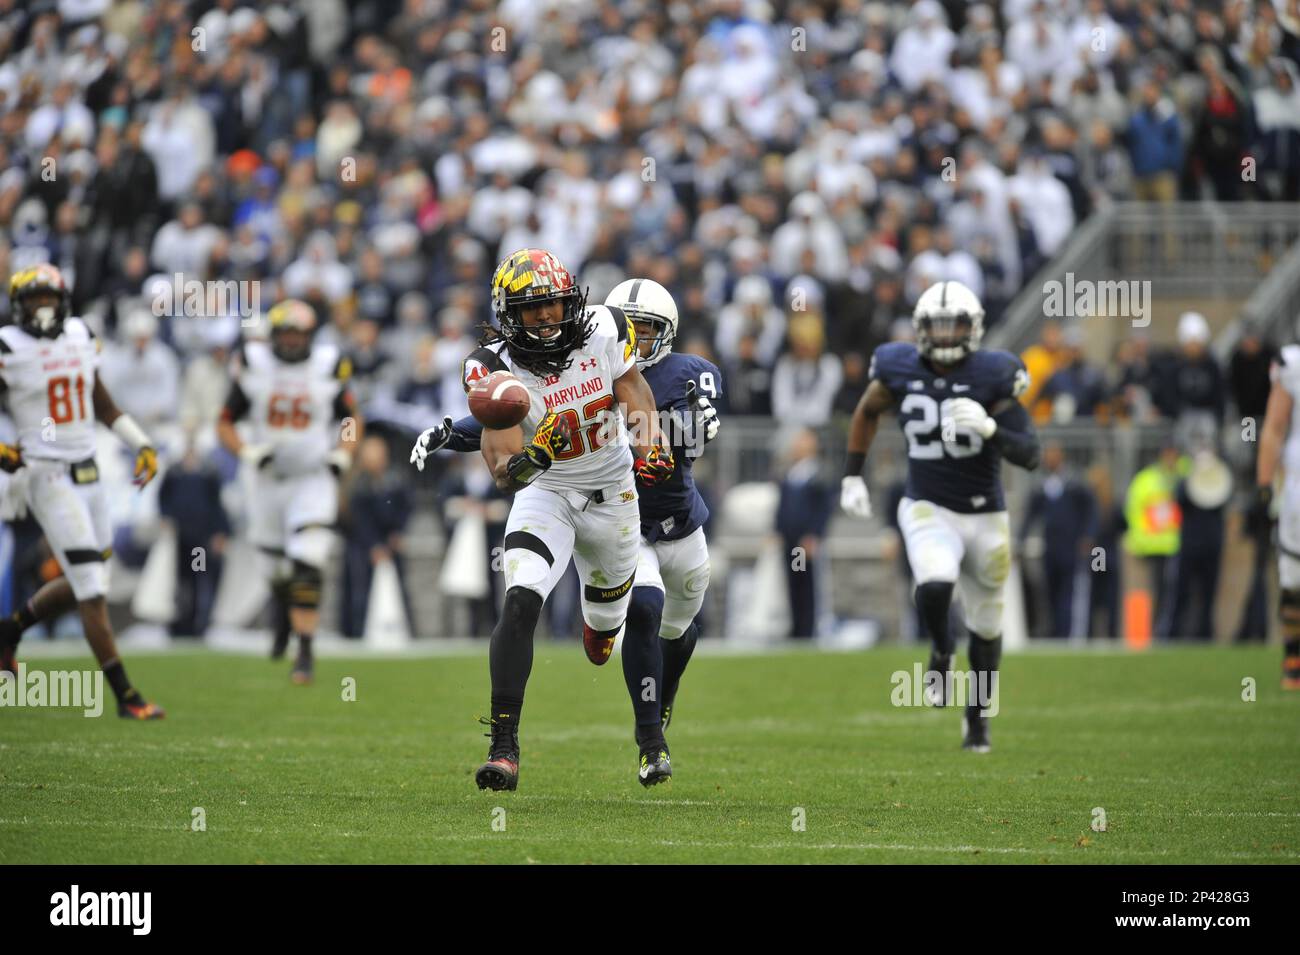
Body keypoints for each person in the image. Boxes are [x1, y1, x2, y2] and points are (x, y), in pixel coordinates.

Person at [413, 277, 723, 773]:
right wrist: (534, 453)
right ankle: (504, 749)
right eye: (532, 308)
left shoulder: (605, 332)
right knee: (521, 599)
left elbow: (636, 396)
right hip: (549, 492)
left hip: (618, 501)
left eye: (552, 304)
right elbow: (503, 468)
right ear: (509, 313)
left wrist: (655, 448)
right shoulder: (493, 366)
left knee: (609, 637)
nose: (545, 317)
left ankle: (605, 636)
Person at [840, 280, 1040, 751]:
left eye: (956, 327)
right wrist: (852, 475)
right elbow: (867, 411)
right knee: (934, 579)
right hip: (928, 504)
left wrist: (991, 427)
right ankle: (941, 650)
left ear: (974, 329)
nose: (947, 337)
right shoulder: (897, 365)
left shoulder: (995, 374)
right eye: (938, 327)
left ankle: (977, 720)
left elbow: (1030, 453)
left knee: (989, 626)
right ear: (921, 329)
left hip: (986, 512)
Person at [0, 264, 164, 718]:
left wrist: (141, 443)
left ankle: (10, 629)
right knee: (91, 588)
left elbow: (103, 403)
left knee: (87, 580)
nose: (43, 308)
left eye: (49, 298)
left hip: (90, 471)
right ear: (19, 306)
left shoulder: (79, 335)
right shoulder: (8, 347)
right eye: (34, 300)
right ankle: (127, 696)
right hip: (45, 472)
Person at [215, 299, 363, 684]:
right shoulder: (253, 363)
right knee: (274, 568)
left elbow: (350, 416)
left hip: (312, 476)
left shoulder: (328, 364)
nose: (294, 341)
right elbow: (225, 421)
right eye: (287, 333)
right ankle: (283, 618)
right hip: (266, 479)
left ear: (311, 335)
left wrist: (343, 453)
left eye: (300, 333)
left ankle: (305, 650)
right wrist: (245, 451)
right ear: (275, 336)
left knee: (308, 563)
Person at [1253, 340, 1300, 689]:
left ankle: (1292, 662)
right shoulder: (1291, 362)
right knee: (1293, 576)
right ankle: (1293, 659)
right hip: (1297, 483)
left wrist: (1265, 484)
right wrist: (1265, 482)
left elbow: (1273, 427)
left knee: (1293, 576)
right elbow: (1274, 426)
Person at [1019, 442, 1097, 638]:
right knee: (1050, 592)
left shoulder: (1074, 483)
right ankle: (1053, 631)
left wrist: (1088, 535)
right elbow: (1031, 515)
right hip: (1050, 547)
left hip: (1070, 547)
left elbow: (1091, 510)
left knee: (1068, 592)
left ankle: (1066, 632)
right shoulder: (1041, 485)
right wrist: (1021, 540)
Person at [777, 429, 834, 638]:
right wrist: (777, 531)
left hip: (804, 542)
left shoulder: (818, 475)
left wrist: (814, 534)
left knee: (805, 583)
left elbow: (823, 509)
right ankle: (796, 626)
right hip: (790, 541)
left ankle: (806, 628)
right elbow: (782, 508)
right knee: (792, 582)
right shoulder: (791, 474)